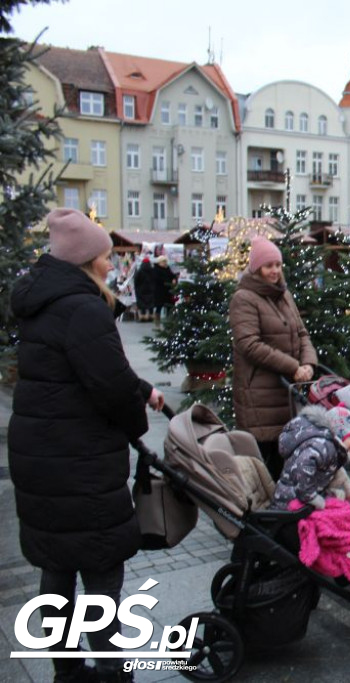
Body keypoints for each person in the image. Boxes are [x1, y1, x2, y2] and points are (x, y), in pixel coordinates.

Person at [9, 208, 164, 683]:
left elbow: (83, 368)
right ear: (87, 260)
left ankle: (68, 672)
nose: (111, 263)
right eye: (105, 255)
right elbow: (109, 384)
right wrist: (134, 418)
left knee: (56, 571)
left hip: (40, 458)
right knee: (99, 578)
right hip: (81, 463)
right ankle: (114, 673)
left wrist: (144, 390)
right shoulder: (83, 307)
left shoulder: (47, 302)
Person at [229, 237, 317, 479]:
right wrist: (293, 367)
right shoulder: (244, 298)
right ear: (257, 268)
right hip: (260, 396)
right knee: (264, 466)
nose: (275, 271)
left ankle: (283, 512)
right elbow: (249, 344)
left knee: (285, 463)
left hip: (285, 394)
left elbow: (302, 333)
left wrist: (308, 363)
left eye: (278, 265)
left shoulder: (283, 294)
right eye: (269, 266)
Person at [151, 254, 177, 324]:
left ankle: (170, 319)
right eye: (163, 262)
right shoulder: (155, 269)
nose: (164, 263)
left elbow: (172, 275)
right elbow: (158, 279)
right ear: (159, 262)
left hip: (168, 290)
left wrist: (174, 279)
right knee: (159, 306)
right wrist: (168, 281)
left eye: (165, 261)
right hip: (159, 291)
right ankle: (157, 320)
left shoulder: (167, 268)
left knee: (169, 305)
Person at [133, 256, 156, 322]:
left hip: (141, 290)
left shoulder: (140, 271)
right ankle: (151, 315)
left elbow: (136, 281)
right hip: (151, 289)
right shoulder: (152, 270)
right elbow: (155, 279)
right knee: (151, 303)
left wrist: (137, 288)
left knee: (142, 303)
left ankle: (143, 316)